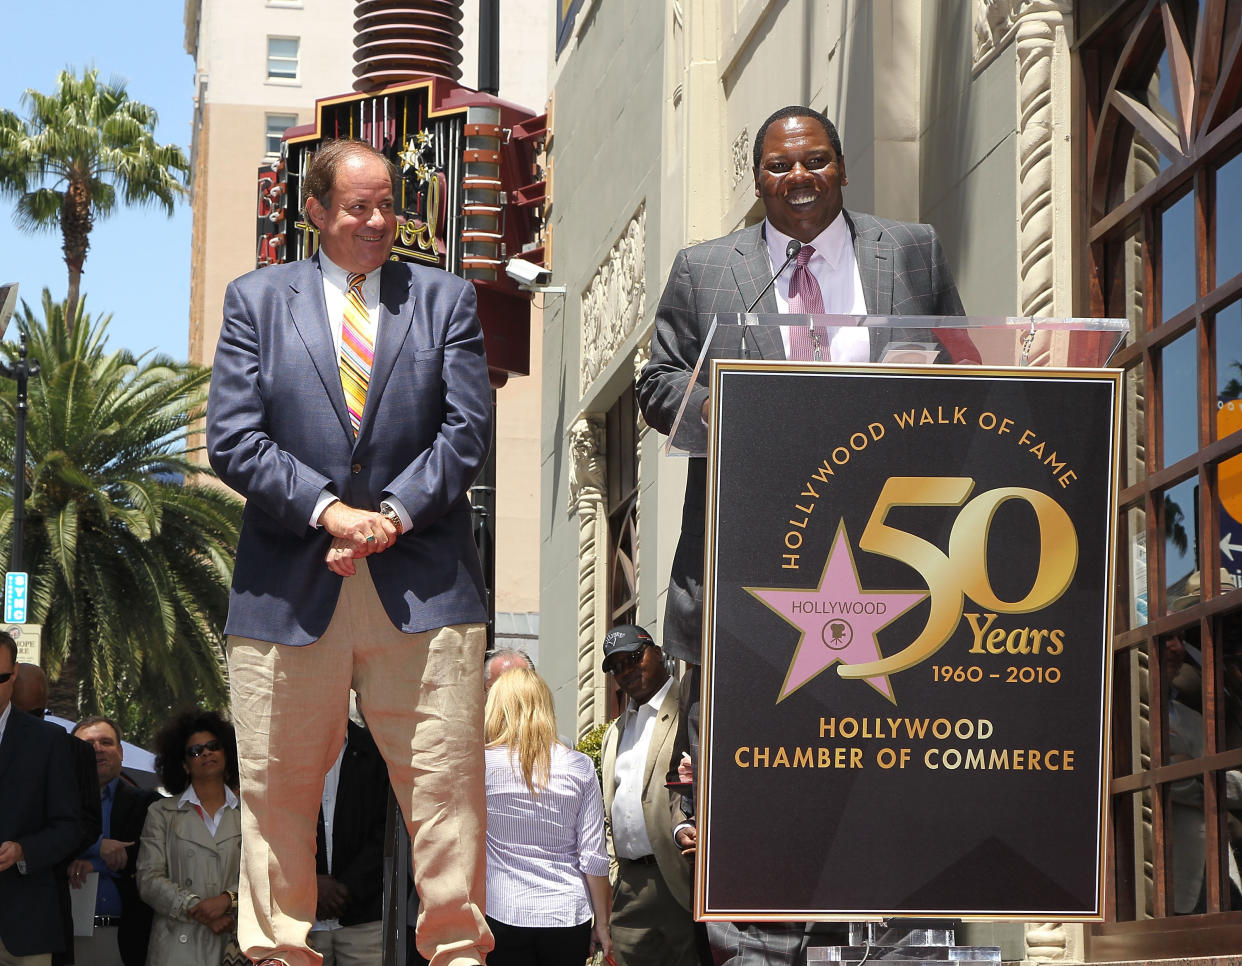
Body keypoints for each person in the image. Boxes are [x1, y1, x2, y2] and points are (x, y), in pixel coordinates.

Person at [635, 105, 970, 964]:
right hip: (752, 573)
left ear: (843, 166)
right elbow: (657, 381)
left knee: (889, 780)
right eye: (780, 167)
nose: (799, 179)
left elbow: (963, 363)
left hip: (900, 565)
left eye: (815, 161)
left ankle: (900, 944)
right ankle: (756, 947)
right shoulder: (706, 270)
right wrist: (724, 409)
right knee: (759, 794)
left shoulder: (914, 250)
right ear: (759, 180)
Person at [205, 138, 493, 966]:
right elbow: (232, 438)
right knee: (275, 793)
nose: (377, 222)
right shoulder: (256, 301)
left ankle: (457, 953)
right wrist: (330, 511)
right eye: (358, 207)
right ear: (317, 212)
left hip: (427, 588)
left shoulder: (447, 300)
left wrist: (391, 517)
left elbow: (466, 432)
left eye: (388, 206)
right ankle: (277, 953)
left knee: (445, 791)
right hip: (290, 591)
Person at [483, 669, 611, 964]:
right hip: (566, 913)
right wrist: (602, 923)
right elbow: (593, 855)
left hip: (502, 909)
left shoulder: (480, 765)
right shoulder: (579, 766)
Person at [599, 626, 698, 966]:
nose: (626, 670)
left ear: (657, 652)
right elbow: (610, 811)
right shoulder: (614, 731)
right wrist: (616, 873)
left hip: (680, 879)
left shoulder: (691, 708)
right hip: (629, 887)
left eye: (633, 658)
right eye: (616, 666)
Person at [0, 632, 84, 966]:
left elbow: (69, 826)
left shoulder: (48, 741)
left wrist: (24, 850)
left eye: (0, 677)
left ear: (15, 672)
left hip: (26, 925)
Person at [136, 710, 241, 966]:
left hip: (236, 943)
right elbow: (148, 879)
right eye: (195, 751)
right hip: (176, 946)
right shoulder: (161, 813)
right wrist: (199, 909)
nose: (205, 753)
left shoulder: (250, 814)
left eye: (213, 746)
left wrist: (228, 899)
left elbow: (264, 876)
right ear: (184, 765)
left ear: (226, 753)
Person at [11, 665, 100, 966]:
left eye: (34, 714)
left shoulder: (71, 749)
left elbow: (85, 823)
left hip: (44, 891)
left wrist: (31, 852)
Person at [68, 717, 158, 966]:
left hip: (127, 937)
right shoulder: (54, 802)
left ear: (120, 752)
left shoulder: (148, 804)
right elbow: (49, 842)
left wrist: (94, 864)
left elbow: (149, 858)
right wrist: (99, 848)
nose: (97, 748)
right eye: (88, 743)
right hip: (65, 937)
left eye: (106, 742)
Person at [308, 718, 389, 965]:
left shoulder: (376, 750)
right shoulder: (290, 751)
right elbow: (277, 825)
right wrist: (310, 885)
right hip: (302, 921)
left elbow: (386, 830)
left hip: (363, 919)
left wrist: (346, 888)